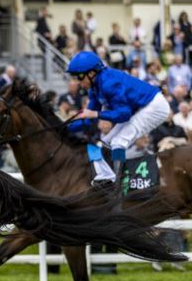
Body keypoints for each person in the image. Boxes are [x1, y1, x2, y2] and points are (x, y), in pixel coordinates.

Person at [66, 51, 169, 188]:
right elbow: (89, 119)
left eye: (79, 77)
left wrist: (97, 114)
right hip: (139, 108)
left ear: (91, 73)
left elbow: (123, 115)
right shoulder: (94, 88)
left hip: (155, 106)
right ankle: (105, 178)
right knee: (101, 145)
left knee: (118, 142)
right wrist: (65, 127)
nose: (77, 82)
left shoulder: (109, 83)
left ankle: (118, 185)